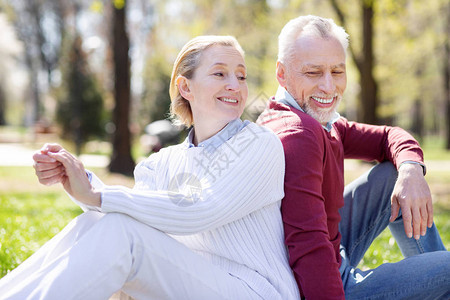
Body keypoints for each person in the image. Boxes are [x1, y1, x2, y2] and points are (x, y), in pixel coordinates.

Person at [0, 35, 300, 300]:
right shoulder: (162, 162)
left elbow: (197, 209)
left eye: (242, 76)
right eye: (220, 73)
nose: (234, 85)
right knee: (95, 224)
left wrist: (96, 195)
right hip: (194, 284)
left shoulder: (258, 144)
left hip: (256, 290)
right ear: (185, 87)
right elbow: (138, 216)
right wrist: (77, 179)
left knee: (122, 234)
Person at [257, 15, 450, 300]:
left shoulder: (315, 120)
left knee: (395, 174)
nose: (328, 86)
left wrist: (411, 170)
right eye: (313, 73)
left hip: (333, 247)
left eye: (337, 71)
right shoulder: (299, 133)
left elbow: (388, 136)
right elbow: (307, 243)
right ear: (282, 73)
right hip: (327, 281)